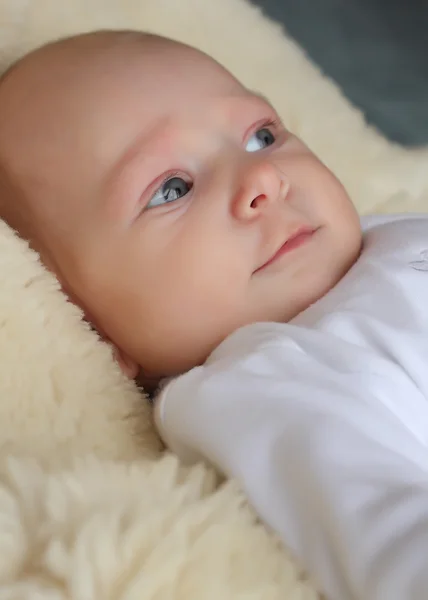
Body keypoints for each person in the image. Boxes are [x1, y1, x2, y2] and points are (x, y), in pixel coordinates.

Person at [0, 29, 427, 600]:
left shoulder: (381, 234)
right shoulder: (266, 383)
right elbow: (382, 531)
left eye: (261, 136)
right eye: (172, 188)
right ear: (90, 328)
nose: (264, 180)